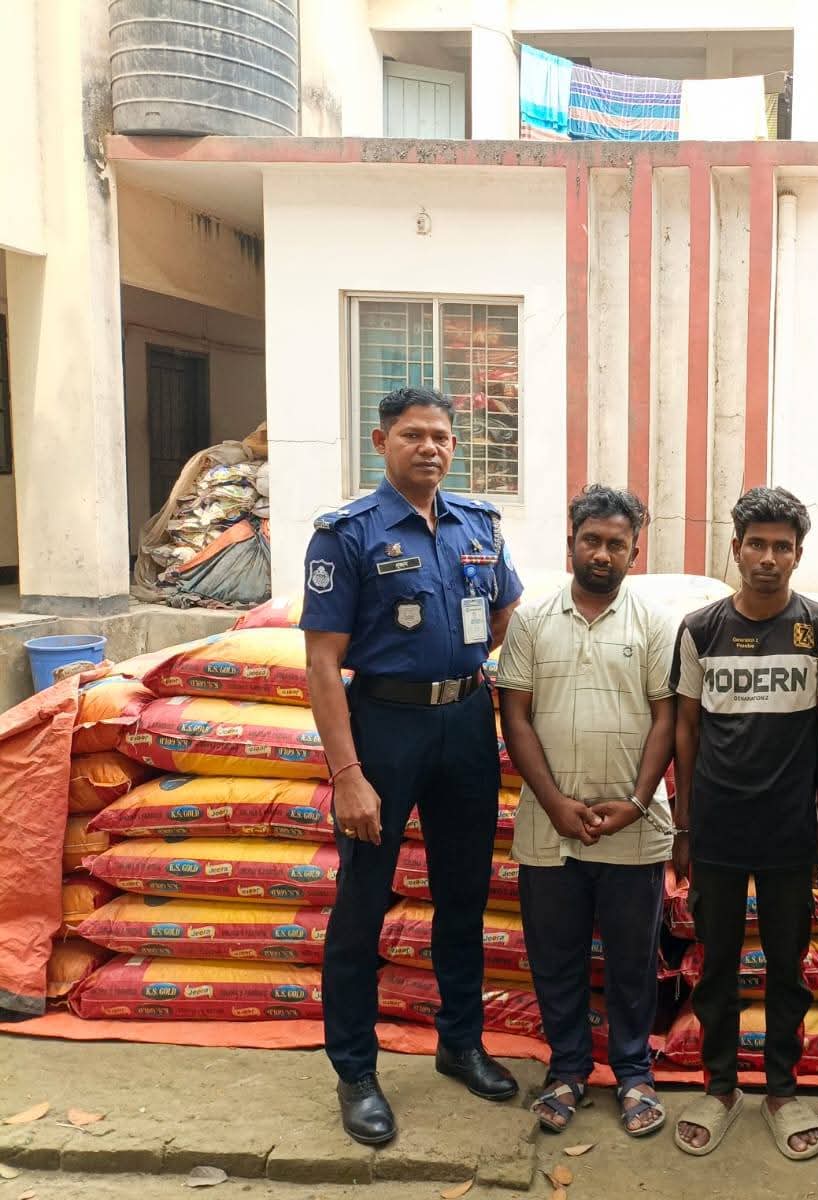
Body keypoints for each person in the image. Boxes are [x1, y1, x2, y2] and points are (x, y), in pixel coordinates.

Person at [303, 386, 524, 1145]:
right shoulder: (347, 534)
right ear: (381, 441)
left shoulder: (478, 524)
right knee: (363, 900)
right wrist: (347, 774)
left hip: (465, 721)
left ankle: (460, 1043)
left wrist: (460, 661)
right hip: (385, 727)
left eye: (441, 437)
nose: (429, 447)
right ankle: (356, 1071)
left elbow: (504, 609)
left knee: (464, 894)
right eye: (412, 435)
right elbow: (322, 664)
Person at [669, 486, 818, 1162]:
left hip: (788, 833)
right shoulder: (700, 629)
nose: (768, 558)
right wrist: (684, 824)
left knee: (786, 968)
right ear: (736, 548)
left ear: (798, 555)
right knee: (716, 963)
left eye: (782, 546)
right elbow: (686, 729)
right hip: (717, 828)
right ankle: (719, 1088)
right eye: (757, 544)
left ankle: (780, 1090)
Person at [496, 485, 676, 1141]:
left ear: (635, 551)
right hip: (549, 829)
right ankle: (568, 1069)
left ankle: (633, 1074)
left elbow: (668, 718)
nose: (602, 553)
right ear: (570, 541)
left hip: (634, 829)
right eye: (591, 540)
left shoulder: (655, 624)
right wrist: (553, 802)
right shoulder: (533, 622)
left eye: (616, 544)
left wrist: (635, 803)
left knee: (632, 963)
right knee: (555, 958)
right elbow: (515, 716)